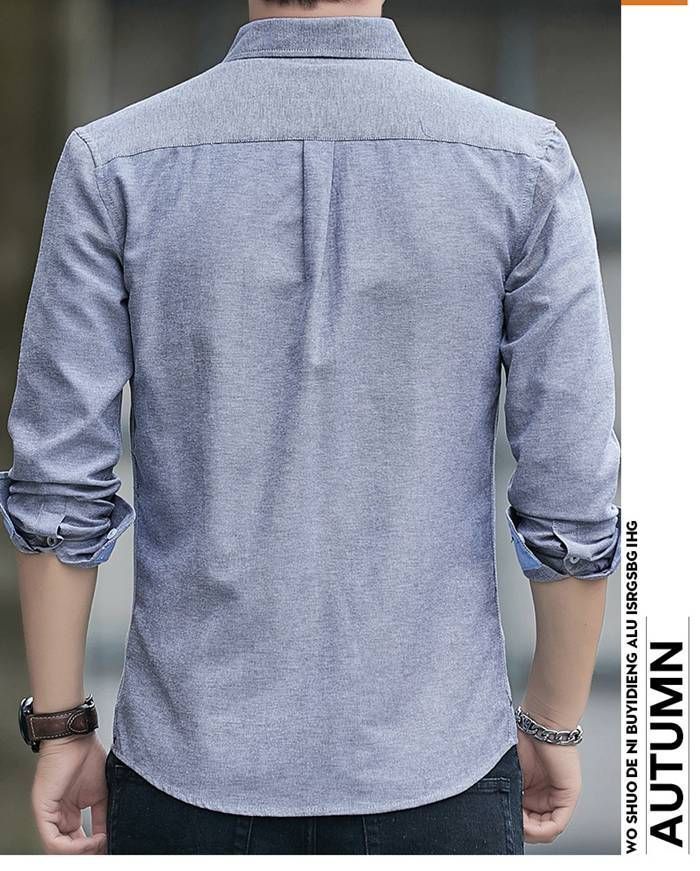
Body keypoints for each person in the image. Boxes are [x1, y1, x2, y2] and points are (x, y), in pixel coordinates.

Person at [1, 0, 621, 856]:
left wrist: (62, 727)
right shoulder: (524, 164)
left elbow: (58, 481)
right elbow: (573, 485)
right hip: (437, 766)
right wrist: (552, 721)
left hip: (188, 767)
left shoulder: (113, 164)